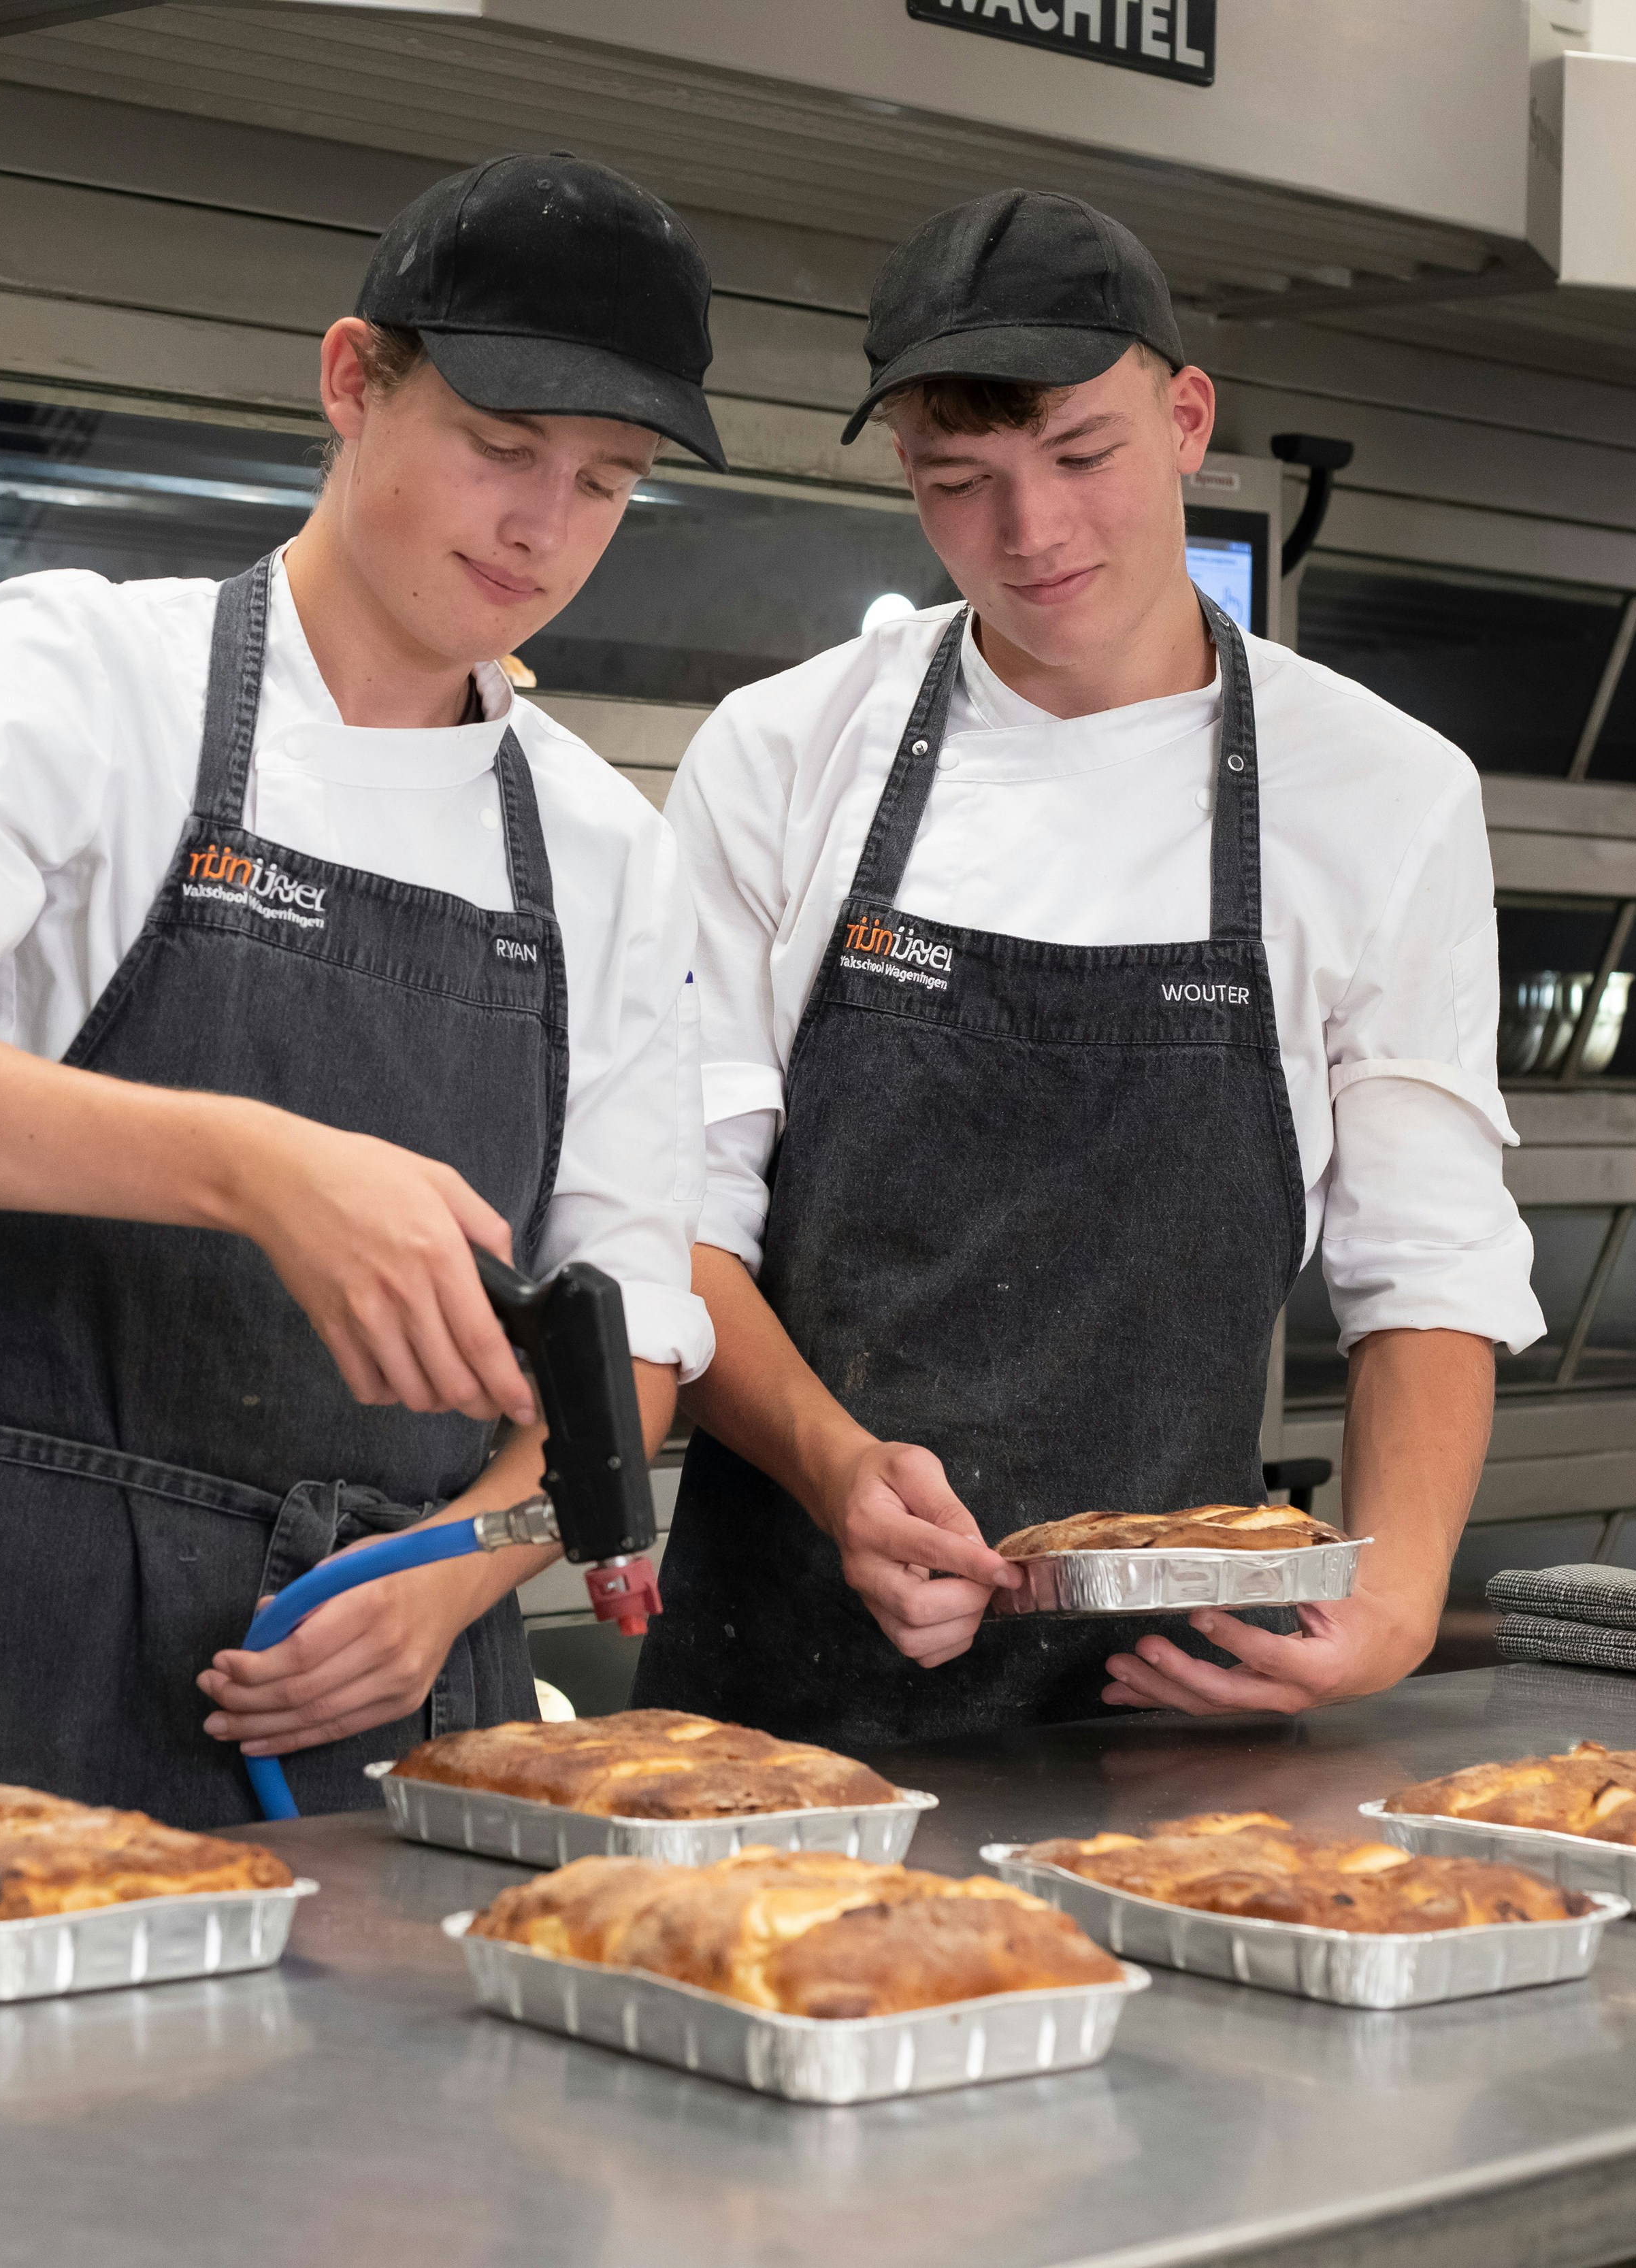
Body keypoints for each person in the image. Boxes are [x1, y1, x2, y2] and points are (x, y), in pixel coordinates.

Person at [0, 154, 721, 1826]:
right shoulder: (91, 674)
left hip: (402, 1687)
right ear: (350, 382)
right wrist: (254, 1168)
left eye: (605, 482)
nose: (543, 526)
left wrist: (462, 1565)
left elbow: (631, 1340)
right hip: (44, 1657)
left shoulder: (603, 847)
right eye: (500, 446)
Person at [631, 190, 1543, 1747]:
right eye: (958, 480)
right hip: (771, 1703)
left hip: (1171, 1703)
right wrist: (840, 1472)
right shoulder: (782, 753)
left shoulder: (1380, 788)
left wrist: (1393, 1599)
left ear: (1185, 420)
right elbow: (677, 1225)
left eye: (1078, 454)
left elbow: (1427, 1258)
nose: (1030, 532)